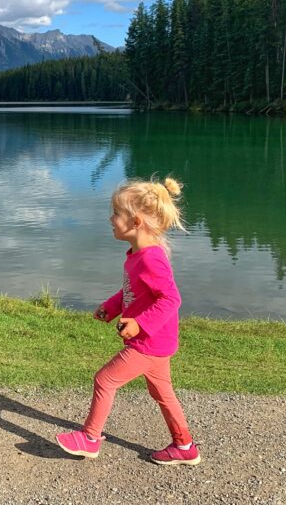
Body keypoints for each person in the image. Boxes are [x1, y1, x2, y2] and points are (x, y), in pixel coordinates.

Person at [55, 177, 200, 466]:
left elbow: (171, 299)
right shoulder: (137, 255)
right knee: (162, 392)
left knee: (105, 379)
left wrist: (139, 324)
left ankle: (90, 438)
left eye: (116, 214)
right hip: (158, 342)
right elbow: (132, 291)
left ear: (135, 222)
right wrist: (112, 307)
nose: (111, 219)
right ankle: (184, 446)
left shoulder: (151, 259)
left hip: (149, 342)